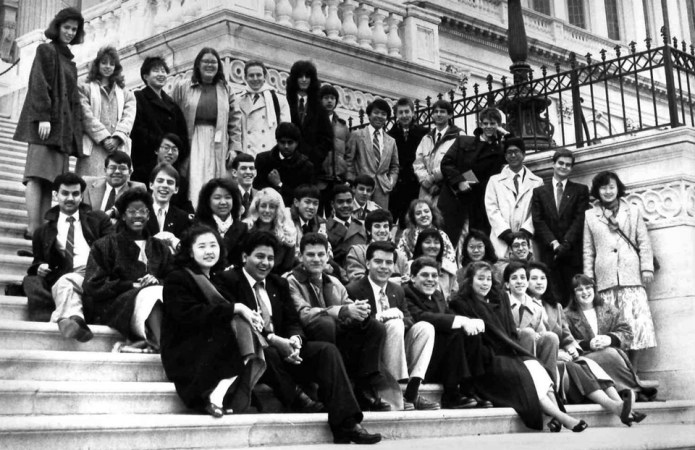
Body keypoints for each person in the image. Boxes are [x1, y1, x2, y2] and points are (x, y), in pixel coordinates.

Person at [214, 231, 382, 444]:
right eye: (259, 256)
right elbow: (238, 324)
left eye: (270, 258)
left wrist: (295, 341)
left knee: (326, 351)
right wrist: (276, 340)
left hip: (287, 349)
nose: (265, 263)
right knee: (266, 351)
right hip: (255, 351)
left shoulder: (277, 283)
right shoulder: (228, 280)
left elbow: (293, 321)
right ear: (245, 257)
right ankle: (297, 398)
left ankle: (347, 424)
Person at [450, 262, 587, 432]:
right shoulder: (461, 303)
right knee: (525, 376)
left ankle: (558, 415)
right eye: (480, 279)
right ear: (470, 281)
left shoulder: (499, 299)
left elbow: (510, 334)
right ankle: (562, 417)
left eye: (488, 279)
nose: (485, 283)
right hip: (485, 361)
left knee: (535, 367)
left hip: (508, 353)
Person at [161, 225, 266, 416]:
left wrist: (249, 316)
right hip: (185, 345)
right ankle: (215, 396)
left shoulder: (217, 280)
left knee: (246, 330)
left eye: (213, 245)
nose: (209, 251)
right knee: (233, 330)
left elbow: (225, 311)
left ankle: (219, 393)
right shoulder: (177, 278)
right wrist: (237, 308)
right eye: (201, 247)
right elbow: (187, 315)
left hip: (212, 342)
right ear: (190, 252)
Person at [527, 262, 646, 427]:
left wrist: (571, 347)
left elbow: (566, 336)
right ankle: (619, 407)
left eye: (542, 278)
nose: (539, 282)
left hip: (570, 357)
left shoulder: (555, 307)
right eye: (534, 278)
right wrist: (572, 348)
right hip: (544, 359)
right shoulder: (525, 305)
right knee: (583, 364)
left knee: (586, 363)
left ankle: (622, 406)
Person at [286, 233, 390, 411]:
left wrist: (359, 310)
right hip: (306, 344)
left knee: (374, 326)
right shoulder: (290, 281)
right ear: (300, 256)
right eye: (310, 255)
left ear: (328, 256)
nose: (316, 259)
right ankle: (326, 389)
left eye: (321, 254)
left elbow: (348, 306)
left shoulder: (334, 281)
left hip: (337, 338)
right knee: (325, 323)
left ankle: (364, 388)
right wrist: (341, 311)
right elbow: (303, 314)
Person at [13, 8, 85, 239]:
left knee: (50, 181)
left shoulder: (68, 59)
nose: (70, 32)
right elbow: (39, 83)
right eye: (66, 27)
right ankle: (33, 228)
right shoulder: (46, 49)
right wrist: (43, 117)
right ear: (57, 27)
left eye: (74, 29)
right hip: (45, 126)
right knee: (35, 176)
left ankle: (42, 232)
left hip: (61, 130)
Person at [346, 241, 439, 411]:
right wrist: (380, 318)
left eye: (389, 263)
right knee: (394, 324)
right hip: (369, 354)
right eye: (378, 261)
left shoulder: (397, 289)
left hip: (396, 348)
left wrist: (399, 316)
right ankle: (393, 392)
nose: (384, 267)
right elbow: (351, 329)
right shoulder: (353, 290)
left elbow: (410, 321)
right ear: (367, 264)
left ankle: (411, 392)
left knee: (426, 327)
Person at [22, 173, 113, 337]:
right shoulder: (43, 232)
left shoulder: (98, 220)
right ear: (56, 195)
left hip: (95, 274)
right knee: (48, 281)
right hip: (66, 275)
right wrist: (40, 266)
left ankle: (62, 318)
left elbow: (113, 249)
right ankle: (75, 319)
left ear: (81, 196)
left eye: (75, 193)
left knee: (65, 282)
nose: (70, 198)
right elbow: (37, 262)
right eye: (65, 193)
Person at [83, 189, 174, 352]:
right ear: (123, 216)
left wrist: (157, 281)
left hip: (158, 301)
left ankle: (151, 344)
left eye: (143, 211)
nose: (138, 215)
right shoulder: (105, 245)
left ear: (148, 215)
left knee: (161, 293)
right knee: (152, 294)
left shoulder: (161, 248)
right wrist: (131, 286)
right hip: (119, 307)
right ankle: (164, 346)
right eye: (132, 211)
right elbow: (93, 284)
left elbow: (175, 279)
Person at [583, 171, 656, 366]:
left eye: (611, 187)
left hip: (631, 277)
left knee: (636, 326)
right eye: (603, 187)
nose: (608, 191)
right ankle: (619, 371)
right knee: (612, 328)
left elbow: (644, 241)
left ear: (618, 188)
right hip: (605, 280)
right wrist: (589, 279)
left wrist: (646, 268)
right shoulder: (590, 215)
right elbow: (588, 250)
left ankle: (633, 373)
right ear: (597, 191)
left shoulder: (632, 210)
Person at [403, 257, 489, 409]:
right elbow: (420, 317)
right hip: (419, 361)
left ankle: (470, 390)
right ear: (412, 277)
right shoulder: (406, 293)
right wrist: (461, 321)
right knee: (455, 334)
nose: (430, 279)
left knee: (471, 334)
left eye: (434, 276)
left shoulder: (437, 295)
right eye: (425, 275)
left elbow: (448, 314)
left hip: (443, 358)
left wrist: (469, 321)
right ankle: (450, 394)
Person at [564, 274, 658, 402]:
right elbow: (565, 338)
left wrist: (610, 339)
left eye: (588, 288)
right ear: (573, 294)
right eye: (579, 290)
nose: (585, 292)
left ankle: (626, 393)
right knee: (608, 355)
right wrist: (588, 344)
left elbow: (627, 332)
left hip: (613, 355)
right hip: (584, 357)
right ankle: (631, 391)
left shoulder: (609, 309)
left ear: (594, 289)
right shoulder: (566, 315)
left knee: (610, 353)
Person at [171, 48, 234, 207]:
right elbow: (172, 113)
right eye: (205, 61)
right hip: (193, 140)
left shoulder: (225, 89)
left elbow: (234, 121)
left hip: (217, 141)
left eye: (213, 62)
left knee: (214, 178)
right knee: (194, 177)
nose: (209, 65)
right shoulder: (183, 86)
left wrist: (234, 148)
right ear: (198, 64)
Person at [439, 107, 509, 244]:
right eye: (485, 123)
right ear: (480, 124)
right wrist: (459, 181)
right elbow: (446, 163)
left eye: (493, 123)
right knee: (449, 239)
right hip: (455, 198)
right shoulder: (463, 141)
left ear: (498, 125)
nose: (489, 127)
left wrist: (506, 134)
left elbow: (515, 148)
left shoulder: (499, 151)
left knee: (476, 240)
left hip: (478, 203)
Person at [531, 149, 589, 306]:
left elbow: (579, 220)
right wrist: (554, 243)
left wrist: (565, 244)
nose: (564, 167)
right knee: (554, 299)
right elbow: (538, 220)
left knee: (575, 297)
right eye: (561, 163)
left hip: (572, 254)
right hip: (550, 254)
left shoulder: (580, 190)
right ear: (553, 164)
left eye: (568, 165)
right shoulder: (539, 192)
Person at [77, 45, 136, 178]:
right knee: (89, 190)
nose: (108, 66)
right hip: (93, 149)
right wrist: (104, 138)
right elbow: (86, 116)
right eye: (104, 62)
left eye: (112, 63)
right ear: (97, 64)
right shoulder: (84, 89)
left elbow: (128, 118)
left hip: (118, 148)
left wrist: (116, 138)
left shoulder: (127, 94)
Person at [130, 56, 188, 184]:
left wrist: (174, 152)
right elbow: (138, 130)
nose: (161, 74)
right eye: (156, 70)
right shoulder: (138, 98)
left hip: (171, 163)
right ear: (145, 76)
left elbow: (182, 134)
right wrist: (159, 145)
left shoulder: (172, 103)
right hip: (146, 161)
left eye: (163, 71)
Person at [485, 137, 543, 259]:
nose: (513, 155)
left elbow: (538, 210)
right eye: (509, 152)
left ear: (523, 154)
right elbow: (491, 209)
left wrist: (525, 232)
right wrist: (506, 233)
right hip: (501, 242)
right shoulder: (494, 181)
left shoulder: (537, 182)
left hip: (527, 241)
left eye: (516, 151)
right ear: (505, 156)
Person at [502, 262, 559, 380]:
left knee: (551, 336)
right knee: (528, 332)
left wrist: (537, 335)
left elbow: (542, 334)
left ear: (527, 283)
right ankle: (530, 381)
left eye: (523, 277)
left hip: (532, 351)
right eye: (514, 278)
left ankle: (550, 383)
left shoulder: (536, 307)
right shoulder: (501, 303)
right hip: (508, 351)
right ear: (507, 284)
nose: (519, 281)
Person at [230, 60, 291, 158]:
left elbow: (286, 133)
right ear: (245, 77)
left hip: (269, 156)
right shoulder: (237, 99)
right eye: (251, 75)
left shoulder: (279, 99)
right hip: (246, 157)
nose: (255, 79)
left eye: (258, 75)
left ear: (265, 77)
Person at [345, 99, 399, 209]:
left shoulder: (391, 141)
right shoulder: (357, 135)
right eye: (376, 112)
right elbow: (349, 160)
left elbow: (395, 166)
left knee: (379, 220)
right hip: (361, 187)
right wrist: (352, 181)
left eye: (383, 114)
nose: (379, 116)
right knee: (359, 219)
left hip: (382, 189)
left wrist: (390, 182)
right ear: (369, 115)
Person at [285, 60, 334, 173]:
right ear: (294, 79)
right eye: (300, 76)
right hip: (287, 160)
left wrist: (314, 156)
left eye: (307, 76)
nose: (303, 80)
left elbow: (327, 138)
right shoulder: (285, 102)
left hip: (310, 165)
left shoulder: (319, 107)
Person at [388, 97, 429, 227]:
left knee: (415, 221)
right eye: (400, 112)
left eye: (407, 111)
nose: (404, 115)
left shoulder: (424, 133)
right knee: (394, 223)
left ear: (413, 113)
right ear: (396, 115)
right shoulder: (390, 135)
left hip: (416, 184)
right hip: (397, 186)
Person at [413, 99, 463, 204]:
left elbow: (458, 163)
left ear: (450, 115)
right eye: (436, 112)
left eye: (442, 112)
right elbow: (418, 162)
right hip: (426, 190)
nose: (438, 114)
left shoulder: (459, 136)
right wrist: (424, 180)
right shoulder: (426, 138)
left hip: (448, 188)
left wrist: (435, 181)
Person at [253, 122, 315, 206]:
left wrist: (279, 184)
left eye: (290, 143)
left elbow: (303, 197)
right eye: (282, 142)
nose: (286, 146)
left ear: (296, 143)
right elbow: (257, 188)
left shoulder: (306, 166)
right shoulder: (263, 160)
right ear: (277, 142)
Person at [194, 178, 248, 268]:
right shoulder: (198, 225)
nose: (223, 202)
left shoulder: (242, 228)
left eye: (227, 197)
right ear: (208, 201)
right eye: (217, 198)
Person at [243, 188, 297, 275]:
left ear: (277, 210)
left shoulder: (287, 234)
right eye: (263, 206)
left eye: (272, 207)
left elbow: (287, 266)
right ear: (257, 208)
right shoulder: (245, 229)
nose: (267, 211)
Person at [345, 209, 408, 283]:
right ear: (369, 231)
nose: (382, 230)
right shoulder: (357, 252)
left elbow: (407, 281)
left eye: (385, 226)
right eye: (377, 226)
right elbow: (356, 280)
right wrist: (391, 282)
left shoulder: (400, 255)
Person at [82, 150, 147, 218]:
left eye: (122, 168)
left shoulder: (136, 189)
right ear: (105, 170)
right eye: (112, 168)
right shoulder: (88, 183)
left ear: (130, 172)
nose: (117, 171)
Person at [145, 163, 192, 252]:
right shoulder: (139, 213)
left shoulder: (182, 217)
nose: (165, 185)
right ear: (151, 185)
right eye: (160, 181)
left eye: (170, 182)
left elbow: (185, 250)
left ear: (176, 189)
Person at [397, 199, 456, 269]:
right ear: (413, 217)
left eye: (426, 211)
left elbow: (450, 260)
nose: (423, 215)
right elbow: (400, 259)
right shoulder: (407, 235)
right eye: (418, 213)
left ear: (432, 214)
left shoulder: (442, 235)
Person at [318, 84, 349, 217]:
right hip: (320, 178)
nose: (329, 101)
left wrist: (346, 176)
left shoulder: (342, 126)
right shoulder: (314, 122)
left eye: (332, 98)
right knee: (317, 215)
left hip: (337, 179)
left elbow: (348, 152)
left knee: (335, 216)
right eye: (326, 98)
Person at [408, 228, 457, 300]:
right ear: (420, 245)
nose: (432, 246)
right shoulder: (410, 266)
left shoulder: (448, 268)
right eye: (427, 242)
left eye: (436, 242)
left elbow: (455, 293)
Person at [325, 184, 367, 267]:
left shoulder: (363, 226)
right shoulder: (324, 228)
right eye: (340, 202)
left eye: (349, 201)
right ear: (332, 204)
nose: (345, 205)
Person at [152, 133, 192, 213]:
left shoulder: (182, 182)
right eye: (166, 148)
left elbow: (184, 205)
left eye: (174, 149)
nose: (170, 152)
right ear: (156, 150)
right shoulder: (141, 174)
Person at [230, 153, 257, 219]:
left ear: (255, 173)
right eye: (243, 168)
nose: (248, 172)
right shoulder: (229, 194)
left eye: (251, 168)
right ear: (234, 173)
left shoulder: (260, 195)